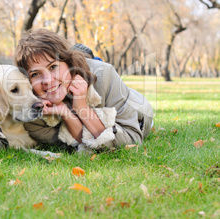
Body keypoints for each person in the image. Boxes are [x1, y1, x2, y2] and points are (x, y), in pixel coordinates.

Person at [14, 28, 153, 153]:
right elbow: (79, 145)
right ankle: (80, 54)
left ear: (68, 63)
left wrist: (82, 108)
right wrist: (66, 113)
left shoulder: (105, 74)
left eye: (53, 67)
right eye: (35, 74)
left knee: (97, 71)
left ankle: (83, 56)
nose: (48, 80)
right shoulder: (33, 116)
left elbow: (131, 142)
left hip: (140, 109)